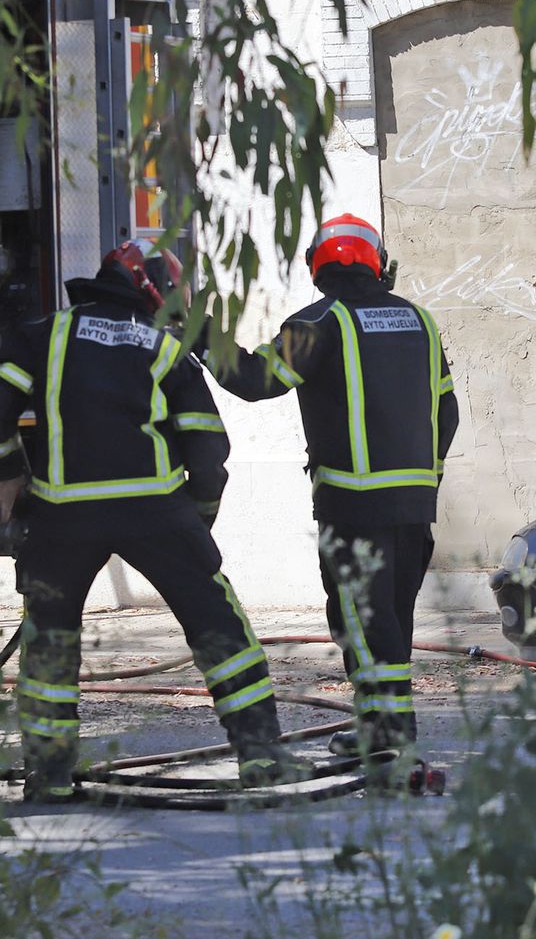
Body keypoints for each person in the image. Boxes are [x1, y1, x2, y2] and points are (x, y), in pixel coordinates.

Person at [0, 240, 311, 801]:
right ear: (154, 292)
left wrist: (8, 470)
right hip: (157, 513)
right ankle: (262, 758)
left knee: (51, 640)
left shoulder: (45, 333)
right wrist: (197, 523)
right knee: (219, 627)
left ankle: (51, 776)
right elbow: (207, 449)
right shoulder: (166, 345)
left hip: (62, 514)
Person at [201, 214, 459, 758]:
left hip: (352, 504)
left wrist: (199, 334)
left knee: (362, 623)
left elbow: (253, 381)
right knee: (393, 620)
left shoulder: (318, 323)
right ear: (376, 261)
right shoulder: (420, 320)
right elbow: (448, 410)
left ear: (317, 266)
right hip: (415, 503)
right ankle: (385, 729)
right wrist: (425, 474)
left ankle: (388, 742)